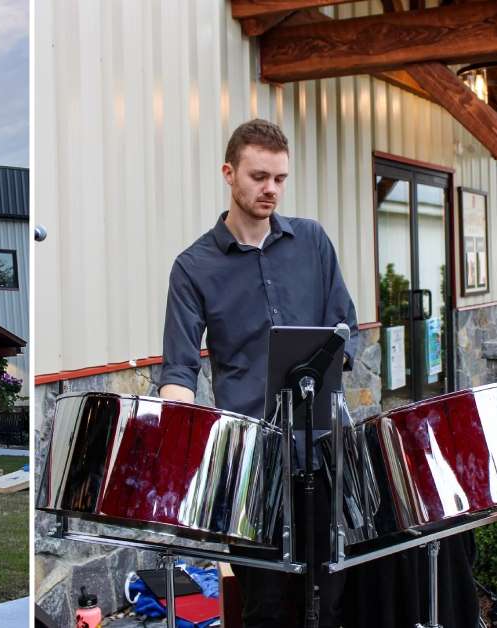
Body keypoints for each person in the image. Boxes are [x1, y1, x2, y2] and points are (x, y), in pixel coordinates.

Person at [158, 119, 358, 628]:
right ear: (229, 173)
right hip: (251, 463)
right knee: (264, 607)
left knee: (330, 600)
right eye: (259, 176)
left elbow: (345, 327)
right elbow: (179, 367)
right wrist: (177, 424)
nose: (271, 189)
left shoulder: (312, 241)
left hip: (323, 449)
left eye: (280, 178)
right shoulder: (193, 267)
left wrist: (330, 359)